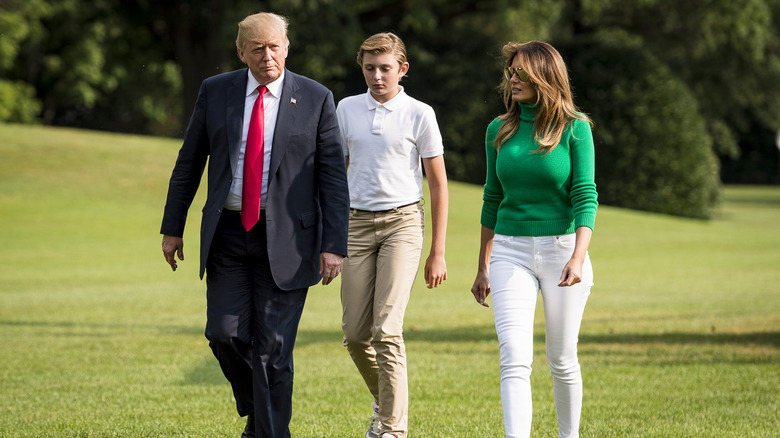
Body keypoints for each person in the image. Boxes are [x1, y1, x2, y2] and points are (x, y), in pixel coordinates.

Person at [160, 12, 349, 438]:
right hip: (227, 233)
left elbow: (333, 177)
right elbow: (189, 162)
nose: (268, 56)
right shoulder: (216, 91)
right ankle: (259, 410)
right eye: (258, 48)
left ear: (287, 47)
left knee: (273, 351)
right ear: (241, 52)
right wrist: (173, 227)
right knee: (223, 334)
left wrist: (334, 244)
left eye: (275, 46)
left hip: (289, 239)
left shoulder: (317, 97)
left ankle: (266, 431)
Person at [470, 41, 597, 438]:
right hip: (510, 253)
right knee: (514, 358)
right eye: (510, 70)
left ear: (544, 75)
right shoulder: (498, 129)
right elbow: (492, 197)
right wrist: (482, 266)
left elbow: (585, 194)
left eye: (520, 71)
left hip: (563, 252)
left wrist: (578, 256)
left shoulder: (575, 128)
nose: (512, 78)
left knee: (561, 359)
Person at [336, 32, 448, 438]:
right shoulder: (346, 108)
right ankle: (387, 402)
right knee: (354, 335)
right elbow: (336, 175)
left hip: (403, 223)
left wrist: (438, 251)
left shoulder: (420, 113)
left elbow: (437, 184)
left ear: (402, 69)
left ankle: (392, 430)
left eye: (385, 68)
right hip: (354, 225)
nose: (377, 76)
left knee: (387, 329)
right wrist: (329, 240)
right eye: (369, 68)